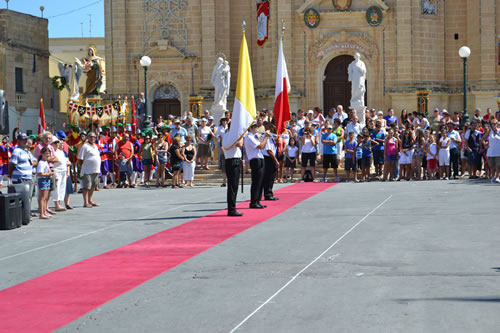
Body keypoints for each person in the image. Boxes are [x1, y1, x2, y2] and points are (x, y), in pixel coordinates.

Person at [8, 133, 36, 215]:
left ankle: (27, 212)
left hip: (28, 177)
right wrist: (10, 175)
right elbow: (11, 164)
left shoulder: (26, 151)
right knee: (22, 197)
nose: (26, 141)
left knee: (28, 197)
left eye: (26, 139)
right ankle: (22, 214)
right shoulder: (17, 151)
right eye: (24, 140)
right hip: (20, 178)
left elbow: (33, 162)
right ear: (19, 141)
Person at [244, 123, 270, 209]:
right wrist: (266, 136)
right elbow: (260, 146)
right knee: (256, 182)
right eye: (254, 127)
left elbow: (262, 145)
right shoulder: (249, 137)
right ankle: (254, 202)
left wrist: (264, 138)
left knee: (261, 182)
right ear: (250, 128)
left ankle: (258, 201)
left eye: (256, 127)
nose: (256, 128)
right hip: (255, 160)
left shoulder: (254, 137)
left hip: (260, 159)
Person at [78, 132, 101, 207]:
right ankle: (85, 202)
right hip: (87, 170)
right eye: (91, 137)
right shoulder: (85, 146)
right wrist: (81, 167)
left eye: (94, 137)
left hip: (95, 170)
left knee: (93, 186)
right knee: (86, 186)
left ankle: (90, 200)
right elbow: (80, 159)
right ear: (87, 137)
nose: (92, 138)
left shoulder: (95, 146)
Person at [51, 136, 70, 211]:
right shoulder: (52, 151)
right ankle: (56, 205)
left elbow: (67, 161)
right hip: (57, 171)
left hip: (63, 171)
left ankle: (59, 203)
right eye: (55, 143)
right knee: (57, 189)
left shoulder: (61, 151)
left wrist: (67, 170)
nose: (57, 144)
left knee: (61, 188)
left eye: (57, 142)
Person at [36, 147, 55, 219]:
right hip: (43, 180)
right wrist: (49, 174)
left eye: (49, 153)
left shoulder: (45, 162)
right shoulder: (41, 162)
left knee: (46, 197)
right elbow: (40, 173)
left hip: (47, 180)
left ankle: (44, 211)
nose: (48, 155)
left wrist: (50, 173)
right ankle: (41, 213)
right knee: (42, 197)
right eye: (46, 153)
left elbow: (48, 171)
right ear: (42, 154)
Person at [262, 123, 279, 201]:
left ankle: (269, 192)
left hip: (271, 157)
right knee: (269, 177)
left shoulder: (270, 137)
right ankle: (268, 194)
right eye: (271, 127)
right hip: (269, 158)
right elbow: (269, 150)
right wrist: (275, 160)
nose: (273, 128)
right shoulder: (266, 137)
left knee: (272, 177)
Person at [484, 118, 500, 183]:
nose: (493, 125)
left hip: (498, 151)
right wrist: (485, 145)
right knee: (492, 165)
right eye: (492, 124)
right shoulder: (489, 131)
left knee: (498, 165)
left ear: (497, 124)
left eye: (494, 124)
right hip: (491, 151)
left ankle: (497, 177)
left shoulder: (499, 131)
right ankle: (492, 177)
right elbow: (482, 138)